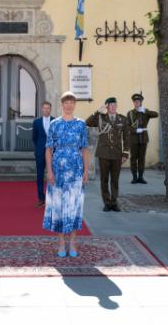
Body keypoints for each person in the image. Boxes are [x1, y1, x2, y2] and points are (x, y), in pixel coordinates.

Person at [43, 92, 89, 257]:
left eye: (71, 102)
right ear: (62, 104)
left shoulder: (81, 124)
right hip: (58, 170)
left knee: (75, 206)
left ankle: (73, 243)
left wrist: (86, 170)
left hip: (76, 169)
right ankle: (61, 243)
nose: (69, 105)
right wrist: (49, 170)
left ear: (75, 104)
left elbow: (84, 148)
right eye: (66, 102)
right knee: (59, 206)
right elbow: (48, 149)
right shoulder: (54, 124)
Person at [86, 97, 129, 212]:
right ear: (107, 107)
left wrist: (125, 153)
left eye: (115, 104)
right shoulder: (100, 118)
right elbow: (88, 122)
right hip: (103, 154)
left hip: (116, 154)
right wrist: (98, 111)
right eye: (111, 105)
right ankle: (107, 202)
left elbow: (127, 138)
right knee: (104, 180)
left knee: (115, 179)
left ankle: (114, 202)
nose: (113, 107)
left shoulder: (123, 119)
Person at [127, 93, 158, 184]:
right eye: (135, 102)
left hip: (143, 138)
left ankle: (141, 177)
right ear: (133, 103)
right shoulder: (130, 113)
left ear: (141, 102)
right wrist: (135, 130)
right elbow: (127, 126)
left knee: (141, 158)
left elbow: (156, 114)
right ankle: (134, 177)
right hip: (133, 138)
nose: (137, 103)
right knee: (133, 158)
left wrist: (145, 111)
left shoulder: (145, 111)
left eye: (138, 101)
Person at [32, 101, 54, 207]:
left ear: (50, 109)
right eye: (44, 108)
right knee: (40, 175)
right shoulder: (36, 122)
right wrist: (39, 148)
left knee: (53, 175)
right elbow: (34, 138)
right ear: (41, 109)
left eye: (48, 108)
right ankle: (41, 198)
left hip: (53, 152)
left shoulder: (55, 121)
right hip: (40, 152)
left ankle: (52, 198)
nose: (46, 110)